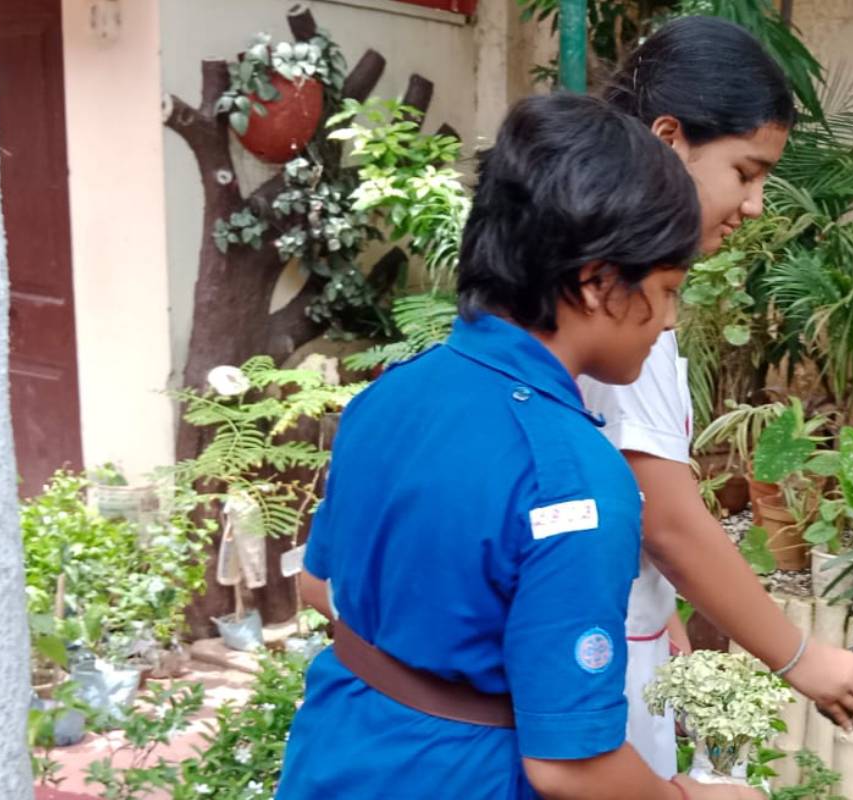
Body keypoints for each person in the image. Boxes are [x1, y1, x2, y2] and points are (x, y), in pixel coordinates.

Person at [278, 93, 759, 800]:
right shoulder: (573, 480)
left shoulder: (389, 396)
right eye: (666, 288)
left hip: (335, 753)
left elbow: (319, 584)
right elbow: (569, 763)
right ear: (597, 283)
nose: (668, 319)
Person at [579, 16, 853, 778]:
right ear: (669, 138)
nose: (755, 205)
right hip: (589, 668)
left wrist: (663, 614)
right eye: (746, 173)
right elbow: (666, 516)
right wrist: (801, 657)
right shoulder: (621, 308)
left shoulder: (613, 286)